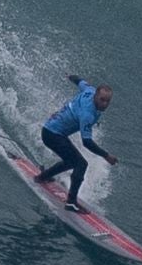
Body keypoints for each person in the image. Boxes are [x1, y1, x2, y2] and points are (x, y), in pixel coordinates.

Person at [34, 73, 117, 210]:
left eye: (108, 101)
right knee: (81, 164)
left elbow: (79, 81)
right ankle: (71, 202)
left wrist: (69, 76)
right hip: (52, 134)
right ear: (96, 95)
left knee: (71, 161)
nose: (104, 104)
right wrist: (106, 155)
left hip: (52, 130)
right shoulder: (87, 115)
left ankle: (43, 177)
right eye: (102, 100)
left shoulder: (89, 90)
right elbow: (87, 142)